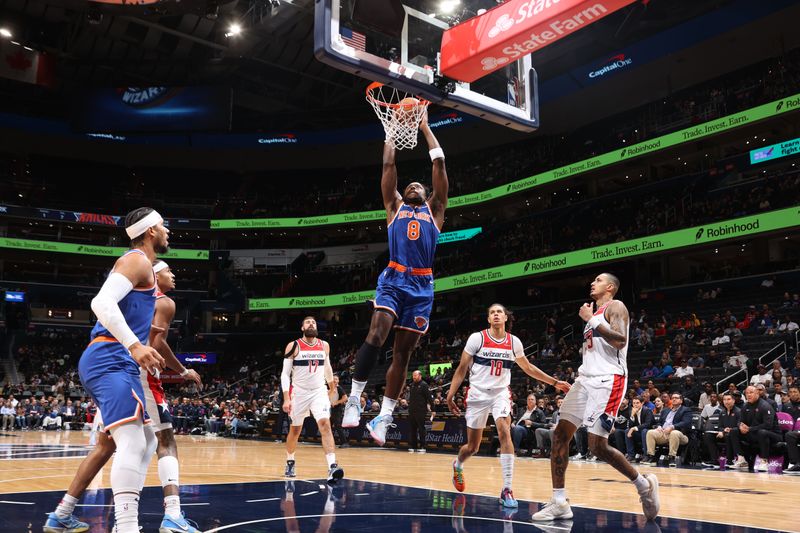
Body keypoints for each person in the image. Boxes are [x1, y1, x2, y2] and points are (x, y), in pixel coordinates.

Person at [45, 259, 204, 533]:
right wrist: (183, 370)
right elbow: (156, 343)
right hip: (133, 372)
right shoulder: (162, 301)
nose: (173, 275)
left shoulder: (130, 297)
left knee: (106, 446)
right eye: (167, 270)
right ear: (153, 275)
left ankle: (63, 511)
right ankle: (168, 515)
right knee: (160, 439)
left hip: (112, 369)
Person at [45, 207, 168, 533]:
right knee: (134, 443)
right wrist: (135, 345)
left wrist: (142, 345)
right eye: (163, 225)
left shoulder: (146, 269)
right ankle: (126, 527)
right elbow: (101, 303)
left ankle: (62, 513)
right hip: (109, 357)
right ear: (151, 230)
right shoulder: (137, 259)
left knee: (138, 440)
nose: (168, 231)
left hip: (118, 360)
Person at [342, 113, 449, 446]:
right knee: (377, 332)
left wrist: (425, 128)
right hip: (394, 277)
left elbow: (440, 165)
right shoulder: (394, 206)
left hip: (422, 287)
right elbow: (389, 168)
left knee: (402, 354)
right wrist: (391, 131)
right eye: (410, 185)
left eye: (420, 185)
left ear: (428, 193)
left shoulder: (435, 210)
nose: (414, 185)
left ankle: (385, 415)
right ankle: (355, 398)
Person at [533, 273, 659, 522]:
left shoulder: (616, 306)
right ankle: (559, 502)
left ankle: (643, 485)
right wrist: (590, 320)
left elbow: (621, 341)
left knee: (596, 446)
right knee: (560, 434)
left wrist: (591, 320)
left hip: (609, 380)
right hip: (586, 379)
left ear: (610, 286)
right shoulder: (594, 313)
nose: (593, 282)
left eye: (599, 280)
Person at [446, 303, 569, 508]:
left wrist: (555, 383)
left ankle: (507, 488)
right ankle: (458, 465)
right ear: (488, 319)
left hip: (501, 394)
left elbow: (528, 368)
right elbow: (461, 369)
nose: (495, 315)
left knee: (505, 430)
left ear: (505, 318)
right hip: (477, 394)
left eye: (499, 312)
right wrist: (450, 395)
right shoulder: (478, 338)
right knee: (473, 447)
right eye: (492, 312)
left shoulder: (514, 342)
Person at [282, 316, 344, 484]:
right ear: (302, 327)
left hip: (318, 392)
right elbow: (285, 374)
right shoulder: (293, 346)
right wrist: (286, 398)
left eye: (314, 322)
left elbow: (328, 367)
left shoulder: (324, 345)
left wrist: (331, 386)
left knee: (325, 425)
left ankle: (332, 466)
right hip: (299, 393)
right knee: (295, 431)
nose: (311, 324)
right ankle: (290, 461)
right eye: (308, 322)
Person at [728, 385, 780, 472]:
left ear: (757, 394)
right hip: (754, 433)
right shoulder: (745, 406)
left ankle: (764, 462)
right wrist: (741, 426)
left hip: (772, 434)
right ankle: (741, 460)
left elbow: (768, 425)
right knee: (734, 431)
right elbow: (740, 421)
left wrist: (749, 429)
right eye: (747, 393)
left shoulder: (765, 406)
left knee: (762, 432)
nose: (748, 395)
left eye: (751, 392)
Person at [642, 392, 692, 467]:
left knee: (674, 433)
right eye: (673, 398)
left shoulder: (686, 410)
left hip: (681, 435)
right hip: (664, 434)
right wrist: (658, 426)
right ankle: (651, 456)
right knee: (650, 432)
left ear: (681, 400)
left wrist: (672, 427)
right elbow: (659, 422)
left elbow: (686, 422)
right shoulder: (666, 410)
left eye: (676, 398)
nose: (674, 399)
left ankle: (672, 457)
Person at [702, 392, 741, 467]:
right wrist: (721, 431)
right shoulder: (722, 412)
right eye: (724, 399)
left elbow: (739, 426)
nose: (726, 401)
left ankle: (730, 460)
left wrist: (726, 430)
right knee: (708, 435)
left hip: (736, 434)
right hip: (724, 433)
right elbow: (720, 426)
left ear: (733, 401)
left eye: (729, 399)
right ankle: (715, 460)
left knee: (729, 434)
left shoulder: (738, 412)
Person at [407, 370, 433, 453]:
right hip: (412, 410)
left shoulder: (424, 385)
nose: (414, 377)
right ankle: (413, 446)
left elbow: (429, 398)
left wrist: (433, 409)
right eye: (413, 375)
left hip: (421, 410)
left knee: (421, 429)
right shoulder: (411, 385)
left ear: (420, 375)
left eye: (415, 375)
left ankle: (422, 446)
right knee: (412, 429)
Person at [623, 397, 654, 461]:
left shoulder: (647, 410)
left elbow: (647, 424)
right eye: (634, 403)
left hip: (649, 432)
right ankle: (631, 455)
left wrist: (634, 428)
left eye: (637, 403)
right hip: (639, 432)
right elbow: (629, 426)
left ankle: (646, 455)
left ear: (642, 403)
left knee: (644, 431)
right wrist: (632, 416)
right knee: (627, 431)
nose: (635, 405)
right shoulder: (631, 411)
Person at [782, 385, 800, 472]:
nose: (793, 394)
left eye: (795, 392)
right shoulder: (786, 406)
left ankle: (794, 463)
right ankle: (794, 463)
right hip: (791, 431)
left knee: (789, 435)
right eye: (791, 392)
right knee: (788, 434)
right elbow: (784, 421)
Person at [328, 375, 348, 446]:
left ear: (338, 381)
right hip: (330, 409)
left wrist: (337, 402)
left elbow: (345, 398)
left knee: (338, 426)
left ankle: (344, 442)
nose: (334, 380)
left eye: (336, 379)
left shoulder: (339, 388)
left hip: (337, 409)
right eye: (333, 379)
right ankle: (329, 442)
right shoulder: (330, 388)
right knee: (328, 426)